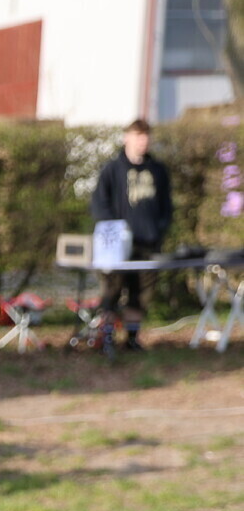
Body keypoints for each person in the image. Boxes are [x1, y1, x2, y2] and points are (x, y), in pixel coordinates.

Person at [90, 118, 173, 352]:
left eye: (146, 136)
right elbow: (99, 204)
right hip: (117, 246)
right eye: (138, 136)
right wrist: (116, 229)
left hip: (148, 243)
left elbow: (166, 205)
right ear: (127, 137)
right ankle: (105, 339)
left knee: (141, 294)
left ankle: (132, 339)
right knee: (111, 291)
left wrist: (160, 228)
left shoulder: (158, 170)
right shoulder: (112, 169)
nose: (143, 142)